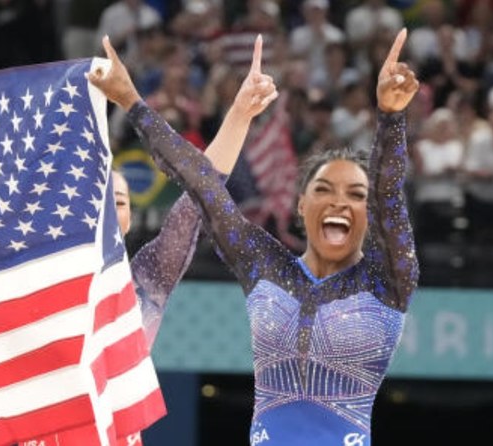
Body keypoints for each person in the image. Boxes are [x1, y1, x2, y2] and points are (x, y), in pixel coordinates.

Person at [89, 28, 420, 446]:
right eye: (324, 190)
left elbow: (388, 191)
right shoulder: (266, 267)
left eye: (356, 195)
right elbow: (203, 186)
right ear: (301, 205)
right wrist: (132, 102)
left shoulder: (387, 281)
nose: (339, 203)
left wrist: (391, 118)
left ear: (369, 214)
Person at [20, 35, 278, 446]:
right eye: (100, 198)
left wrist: (239, 115)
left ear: (126, 219)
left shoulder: (146, 279)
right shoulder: (38, 276)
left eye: (118, 200)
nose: (108, 207)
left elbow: (197, 199)